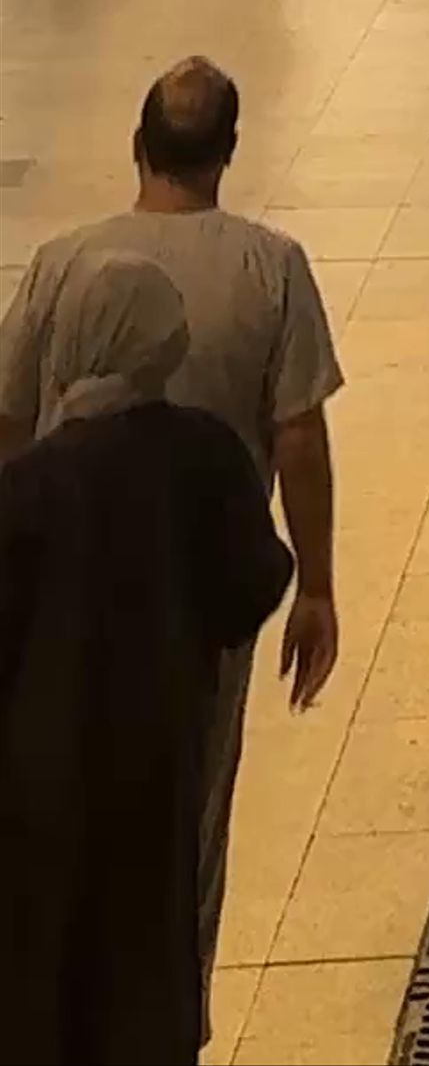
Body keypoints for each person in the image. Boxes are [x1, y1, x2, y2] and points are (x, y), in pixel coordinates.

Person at [0, 58, 342, 1007]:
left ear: (136, 143)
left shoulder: (65, 262)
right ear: (228, 153)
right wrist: (315, 585)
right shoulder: (269, 265)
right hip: (191, 617)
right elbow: (300, 432)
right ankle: (166, 1006)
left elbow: (5, 417)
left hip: (53, 604)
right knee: (185, 814)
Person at [0, 250, 292, 1061]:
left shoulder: (26, 485)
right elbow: (255, 580)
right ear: (163, 342)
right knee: (145, 969)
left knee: (39, 979)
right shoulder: (203, 454)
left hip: (35, 782)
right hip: (156, 761)